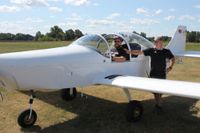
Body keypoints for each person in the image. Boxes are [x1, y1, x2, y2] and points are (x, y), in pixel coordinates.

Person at [126, 37, 175, 113]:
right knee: (155, 91)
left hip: (162, 73)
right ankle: (158, 105)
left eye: (161, 42)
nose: (160, 43)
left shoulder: (166, 51)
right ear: (155, 42)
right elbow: (140, 52)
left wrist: (170, 67)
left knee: (159, 90)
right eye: (158, 41)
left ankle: (158, 105)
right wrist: (130, 52)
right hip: (153, 73)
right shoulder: (151, 50)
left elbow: (173, 58)